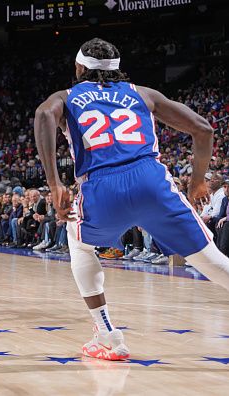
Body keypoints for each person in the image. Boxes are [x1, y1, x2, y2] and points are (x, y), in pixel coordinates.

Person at [34, 38, 229, 360]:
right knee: (210, 260)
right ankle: (106, 333)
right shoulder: (143, 93)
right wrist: (196, 183)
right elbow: (204, 129)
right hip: (151, 180)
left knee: (78, 240)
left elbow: (43, 116)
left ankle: (107, 334)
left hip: (102, 186)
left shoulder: (65, 97)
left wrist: (55, 184)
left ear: (79, 67)